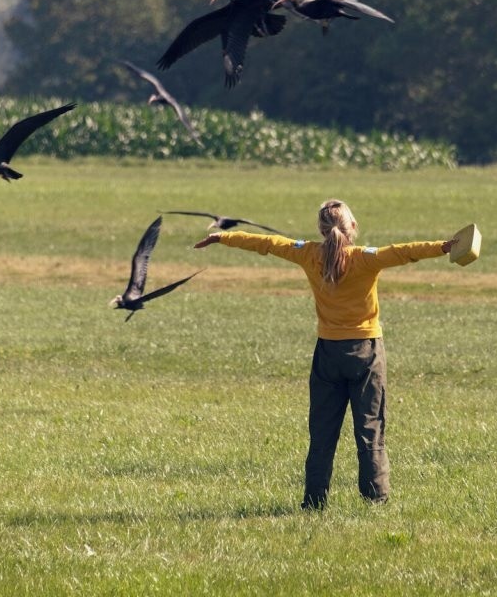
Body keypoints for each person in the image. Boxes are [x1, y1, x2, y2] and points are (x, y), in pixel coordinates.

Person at [194, 199, 455, 510]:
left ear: (320, 230)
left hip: (327, 353)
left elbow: (269, 244)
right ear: (353, 228)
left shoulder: (308, 254)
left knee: (322, 433)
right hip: (366, 352)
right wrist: (444, 246)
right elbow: (404, 251)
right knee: (370, 427)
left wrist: (224, 237)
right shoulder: (365, 258)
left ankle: (314, 502)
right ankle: (376, 501)